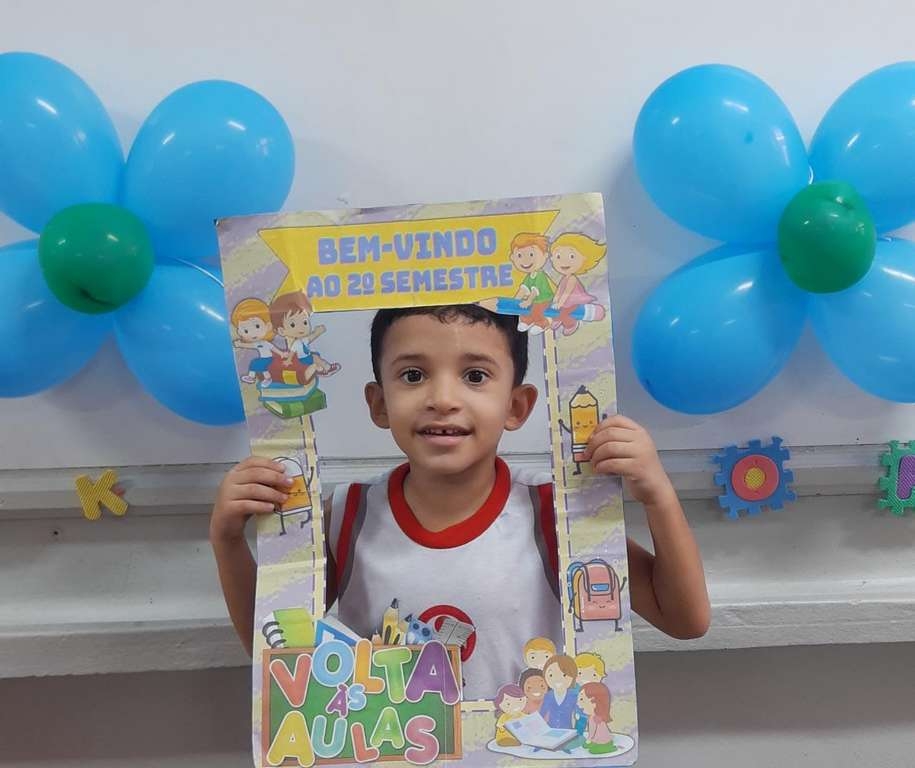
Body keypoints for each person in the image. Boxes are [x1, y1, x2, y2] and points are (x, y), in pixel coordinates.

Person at [210, 304, 710, 698]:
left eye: (475, 376)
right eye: (413, 375)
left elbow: (684, 619)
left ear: (516, 405)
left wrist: (659, 498)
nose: (443, 399)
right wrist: (228, 541)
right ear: (379, 404)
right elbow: (275, 651)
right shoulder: (347, 515)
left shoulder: (555, 514)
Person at [577, 682, 616, 755]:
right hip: (595, 738)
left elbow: (594, 730)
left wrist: (589, 739)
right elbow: (591, 730)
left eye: (581, 699)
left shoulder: (596, 718)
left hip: (602, 740)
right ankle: (596, 742)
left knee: (594, 749)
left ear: (593, 701)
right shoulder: (591, 716)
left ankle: (606, 746)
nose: (578, 703)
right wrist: (590, 739)